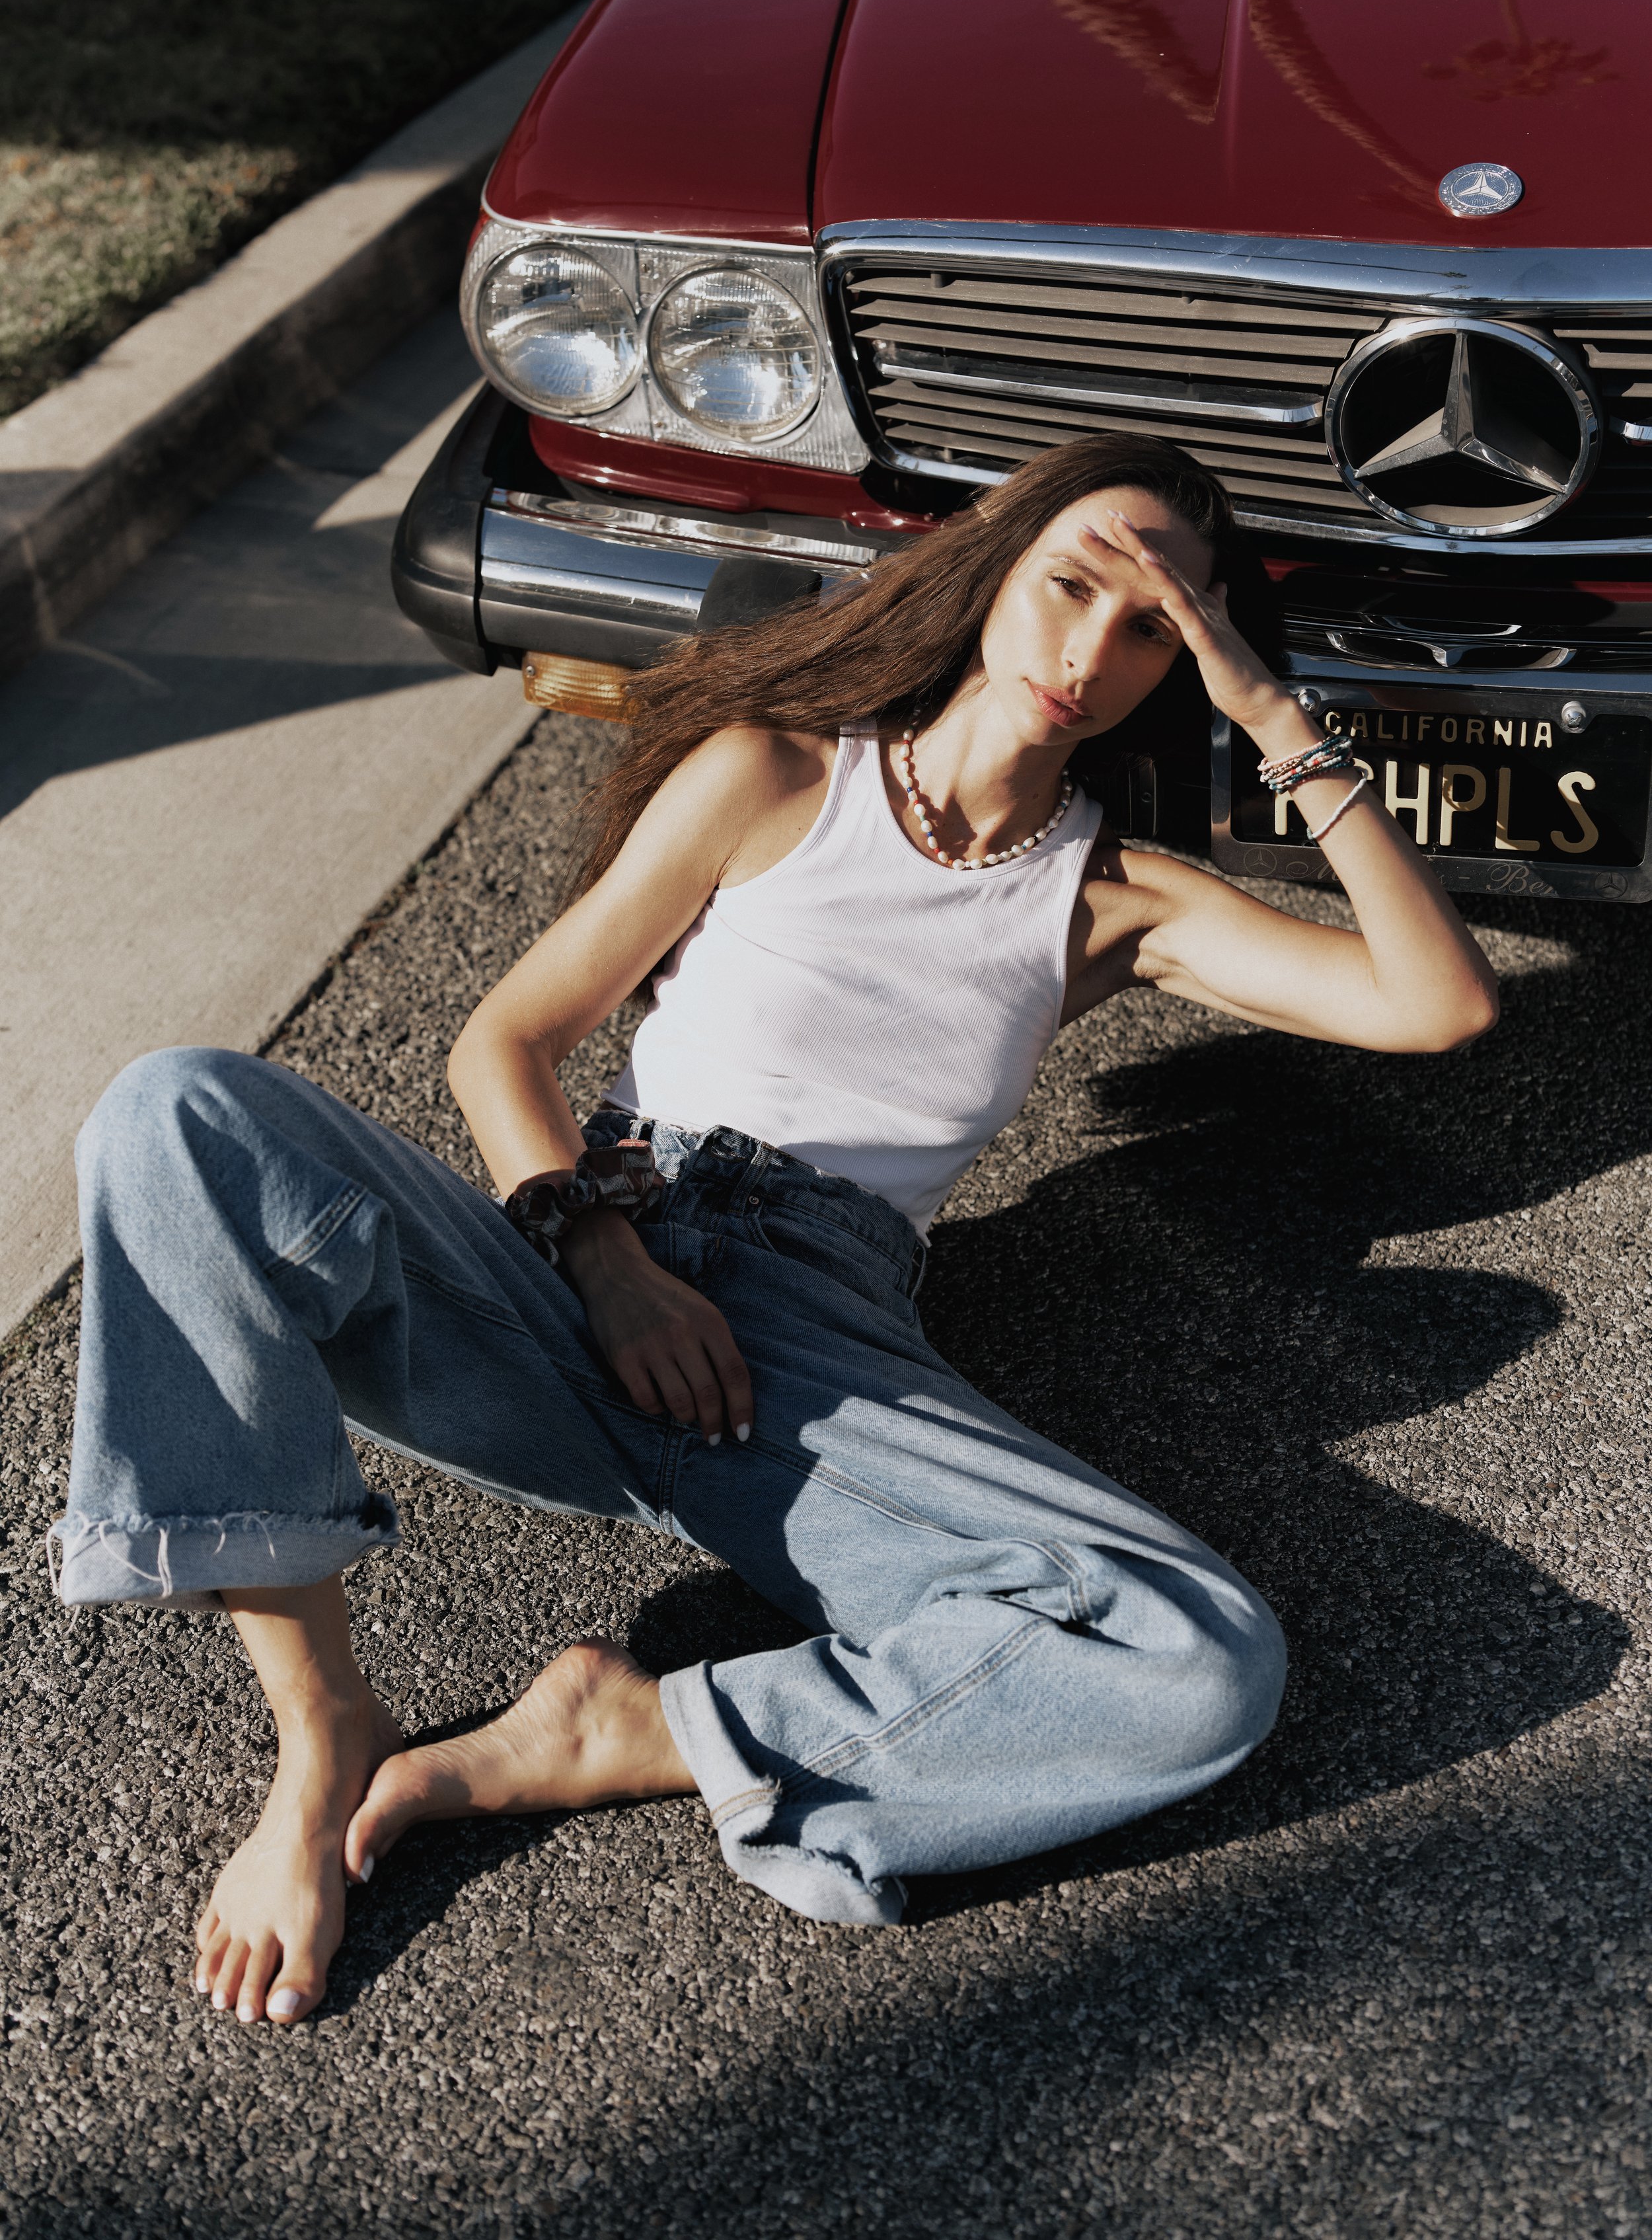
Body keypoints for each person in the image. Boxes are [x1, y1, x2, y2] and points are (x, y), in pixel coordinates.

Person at [53, 434, 1498, 2027]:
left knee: (1199, 1657)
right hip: (584, 1242)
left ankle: (632, 1734)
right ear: (992, 573)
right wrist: (607, 1264)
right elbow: (506, 1044)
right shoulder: (778, 773)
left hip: (811, 1354)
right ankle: (321, 1732)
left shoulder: (1109, 903)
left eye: (1153, 628)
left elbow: (1433, 1004)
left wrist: (1275, 718)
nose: (1091, 653)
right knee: (174, 1111)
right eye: (1071, 585)